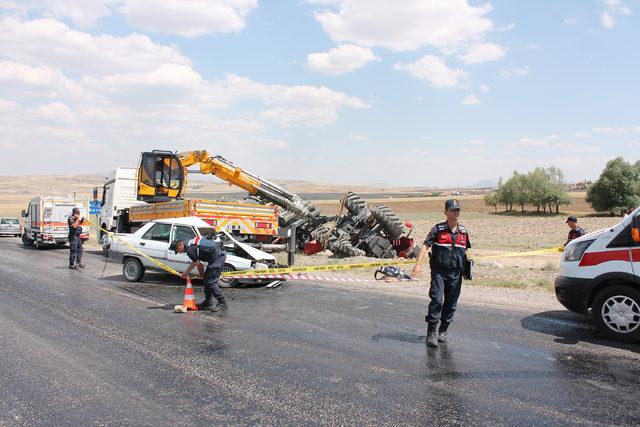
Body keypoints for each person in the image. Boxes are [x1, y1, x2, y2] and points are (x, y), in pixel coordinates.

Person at [411, 199, 471, 348]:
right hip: (439, 271)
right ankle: (431, 332)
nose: (456, 212)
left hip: (456, 273)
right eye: (452, 210)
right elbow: (425, 246)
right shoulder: (438, 229)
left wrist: (467, 269)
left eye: (457, 210)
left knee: (451, 303)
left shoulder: (463, 231)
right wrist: (417, 265)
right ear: (446, 212)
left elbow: (466, 251)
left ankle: (443, 330)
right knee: (437, 299)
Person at [170, 236, 228, 312]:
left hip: (218, 257)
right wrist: (186, 273)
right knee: (206, 281)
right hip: (216, 255)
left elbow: (199, 265)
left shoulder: (189, 249)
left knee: (211, 282)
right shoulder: (189, 244)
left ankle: (222, 303)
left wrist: (201, 274)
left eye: (178, 251)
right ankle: (208, 303)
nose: (179, 253)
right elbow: (195, 262)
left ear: (180, 246)